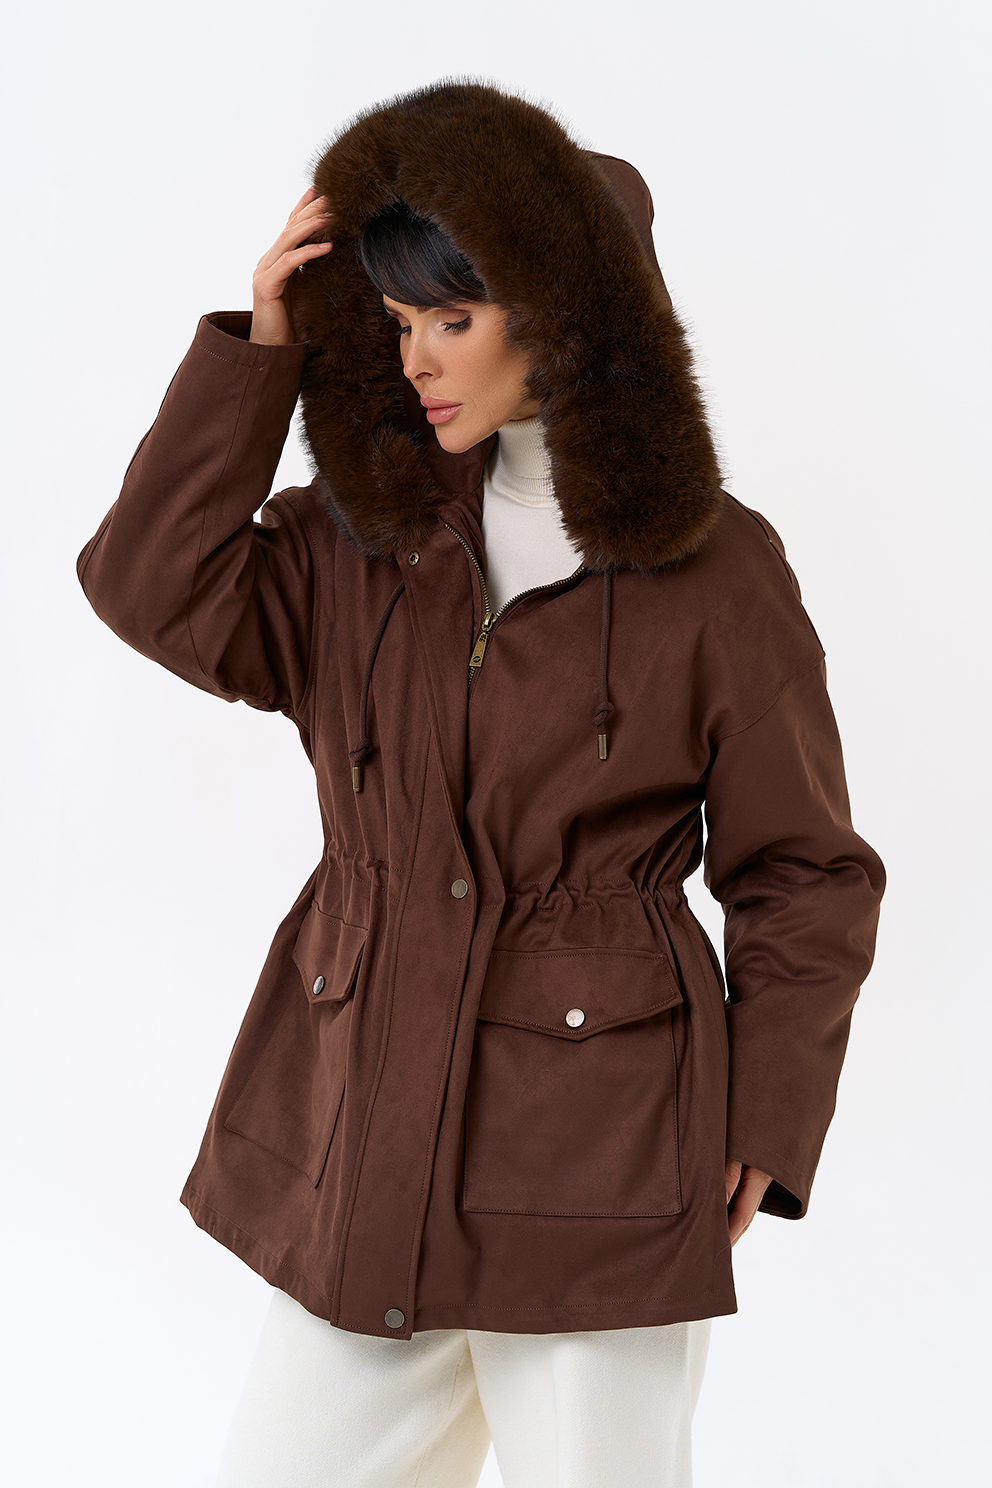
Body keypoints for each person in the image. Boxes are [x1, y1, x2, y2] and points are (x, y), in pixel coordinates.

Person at [76, 80, 886, 1488]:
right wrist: (261, 354)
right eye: (397, 323)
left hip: (602, 1164)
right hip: (364, 1136)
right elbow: (150, 586)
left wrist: (770, 1117)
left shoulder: (716, 571)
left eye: (452, 319)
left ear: (563, 317)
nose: (417, 362)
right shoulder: (355, 539)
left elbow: (803, 868)